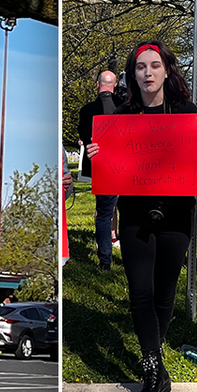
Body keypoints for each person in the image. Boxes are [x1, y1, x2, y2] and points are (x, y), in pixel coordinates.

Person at [84, 41, 197, 392]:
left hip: (178, 213)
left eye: (154, 66)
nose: (147, 73)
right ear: (133, 75)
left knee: (165, 292)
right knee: (140, 292)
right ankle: (152, 370)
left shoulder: (186, 112)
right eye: (140, 68)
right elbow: (106, 168)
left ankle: (156, 361)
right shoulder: (123, 114)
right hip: (134, 213)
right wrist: (96, 156)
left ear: (166, 70)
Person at [78, 70, 121, 270]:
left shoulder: (86, 110)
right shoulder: (125, 107)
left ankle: (105, 261)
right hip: (127, 166)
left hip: (102, 168)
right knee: (128, 214)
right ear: (116, 86)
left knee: (104, 214)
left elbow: (84, 137)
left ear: (97, 85)